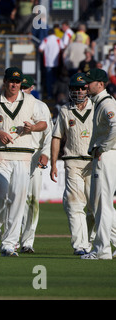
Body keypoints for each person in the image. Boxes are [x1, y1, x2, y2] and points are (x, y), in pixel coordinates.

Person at [0, 67, 47, 257]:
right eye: (11, 81)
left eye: (17, 82)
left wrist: (32, 127)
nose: (14, 85)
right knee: (0, 196)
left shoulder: (30, 101)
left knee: (17, 198)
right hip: (0, 154)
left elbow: (44, 124)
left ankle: (9, 244)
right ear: (5, 82)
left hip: (24, 156)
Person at [50, 73, 95, 255]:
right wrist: (54, 163)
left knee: (95, 208)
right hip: (72, 162)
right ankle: (80, 245)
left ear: (88, 89)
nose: (78, 91)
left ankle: (91, 241)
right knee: (74, 204)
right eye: (75, 88)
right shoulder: (64, 110)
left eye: (82, 88)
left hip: (94, 163)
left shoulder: (97, 108)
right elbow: (57, 137)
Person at [81, 68, 116, 260]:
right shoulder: (101, 102)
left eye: (90, 82)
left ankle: (102, 250)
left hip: (106, 156)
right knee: (102, 205)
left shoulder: (106, 103)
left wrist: (103, 147)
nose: (86, 85)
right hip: (107, 155)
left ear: (100, 84)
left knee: (102, 205)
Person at [19, 75, 53, 253]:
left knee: (32, 200)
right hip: (15, 156)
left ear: (32, 87)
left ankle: (28, 241)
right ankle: (12, 238)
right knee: (14, 198)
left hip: (34, 154)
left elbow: (49, 133)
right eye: (20, 86)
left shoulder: (41, 106)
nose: (23, 90)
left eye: (26, 87)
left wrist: (45, 153)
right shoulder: (11, 104)